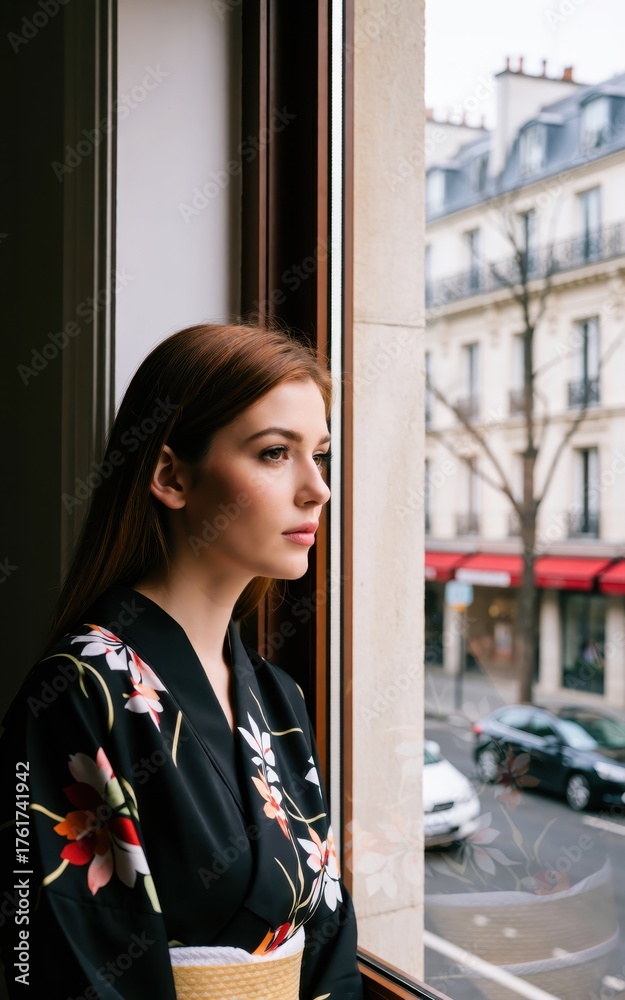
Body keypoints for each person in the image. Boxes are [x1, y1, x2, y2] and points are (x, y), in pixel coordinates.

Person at [0, 323, 363, 999]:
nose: (318, 489)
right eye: (275, 453)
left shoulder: (277, 698)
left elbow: (328, 940)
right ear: (170, 475)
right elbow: (50, 955)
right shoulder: (78, 691)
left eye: (320, 455)